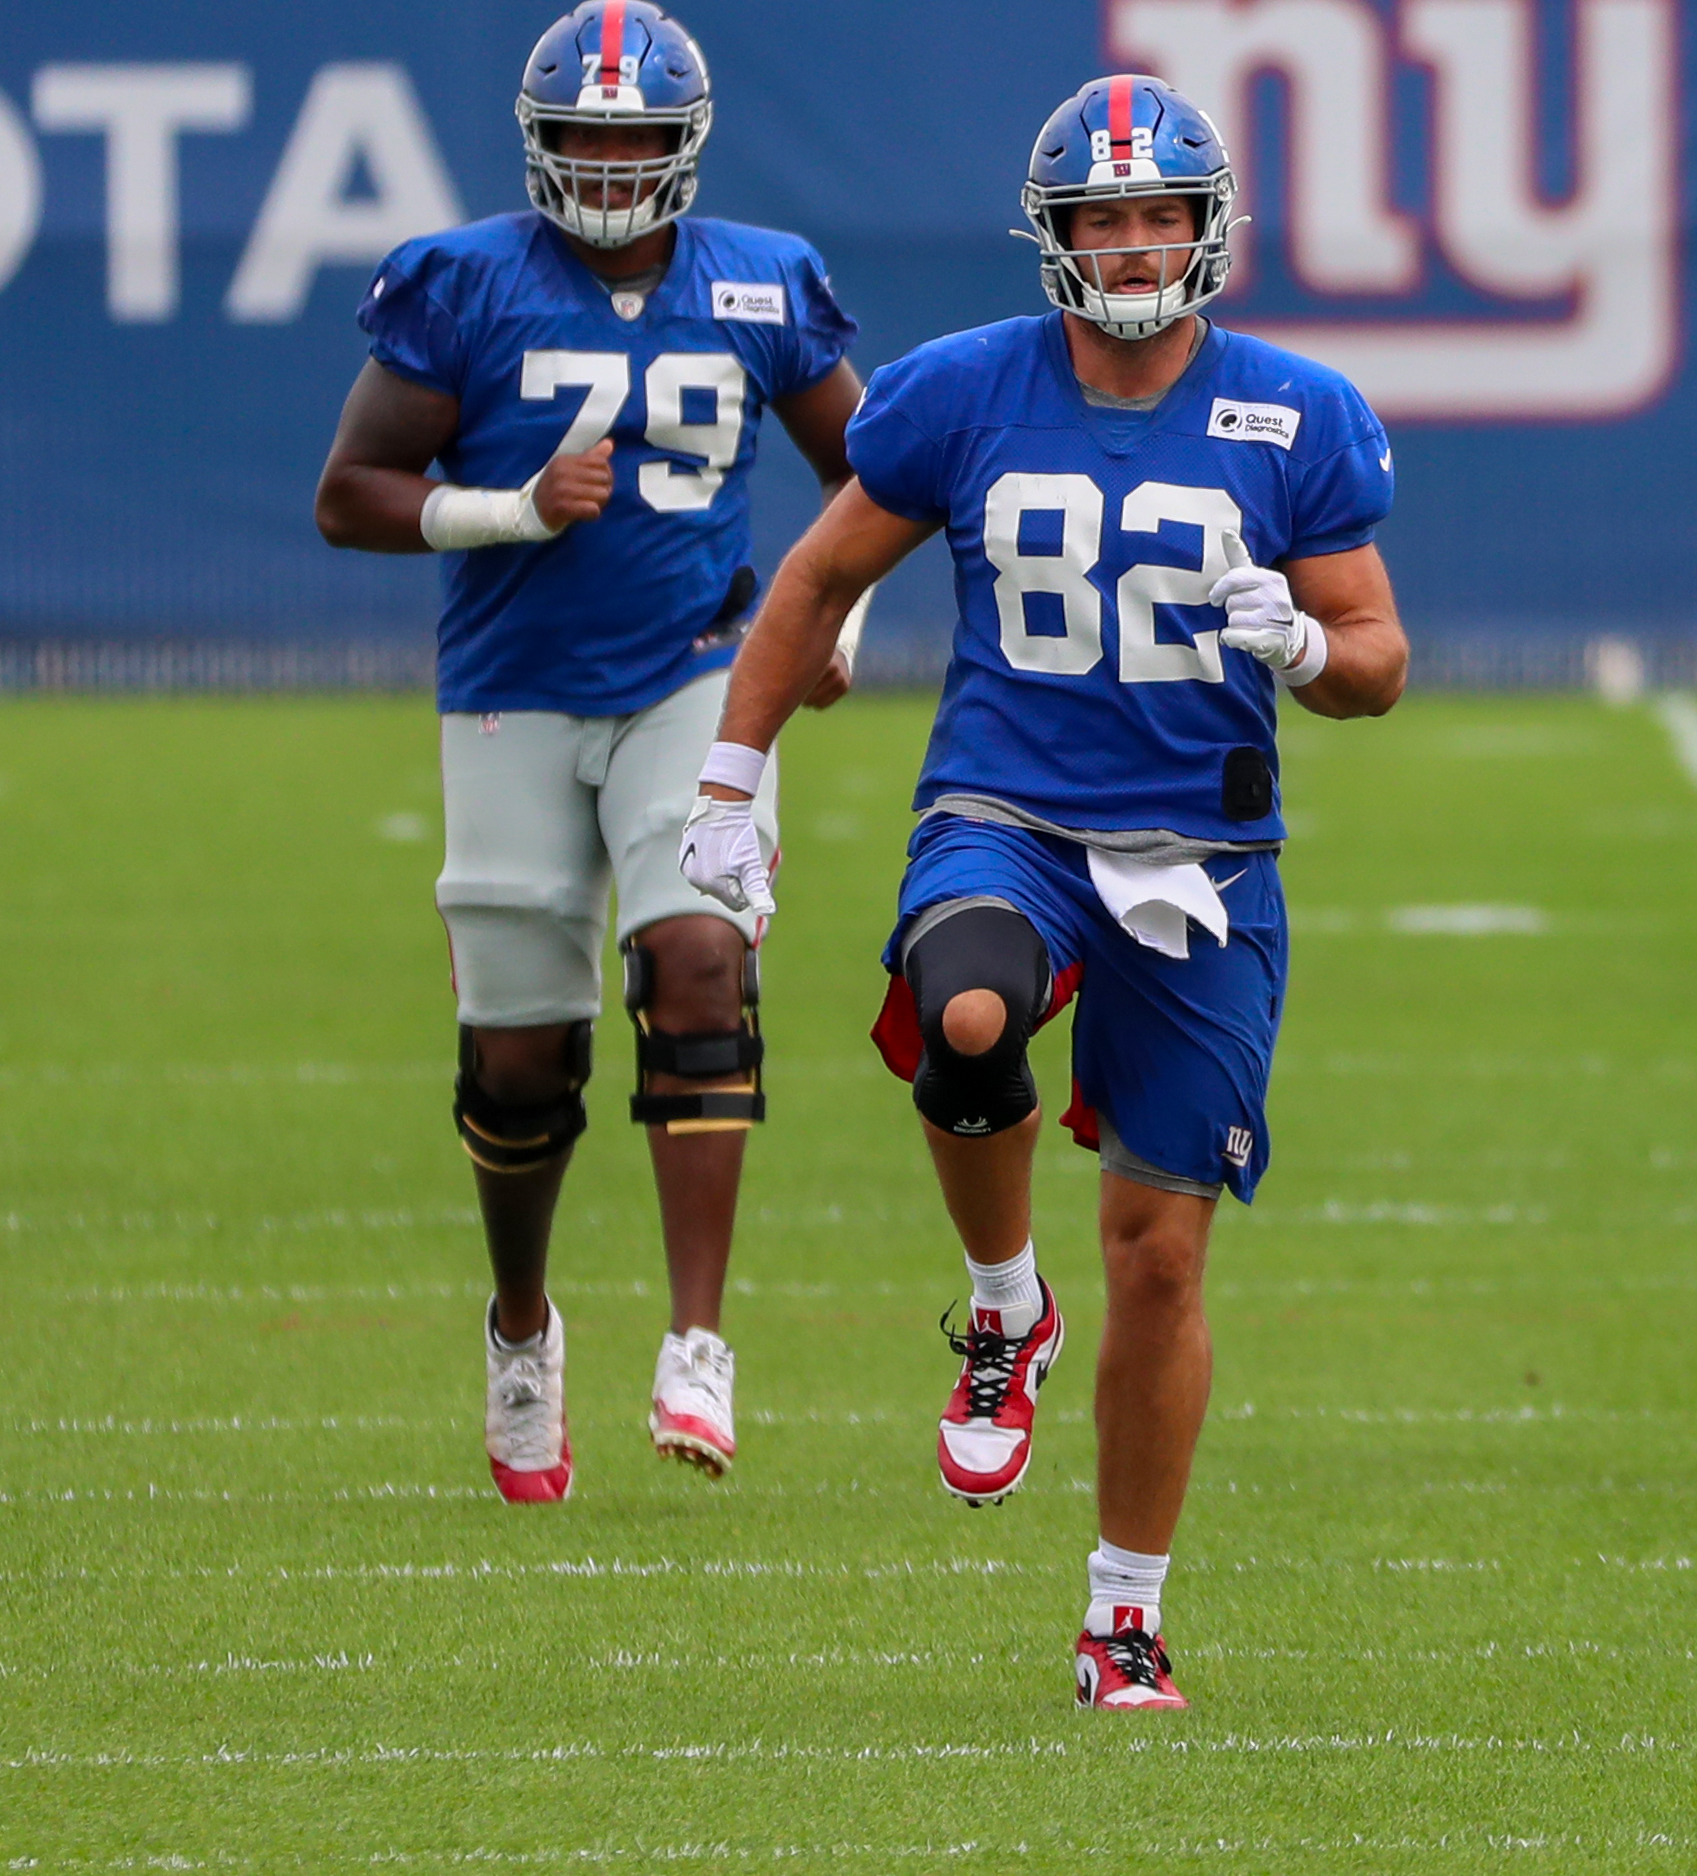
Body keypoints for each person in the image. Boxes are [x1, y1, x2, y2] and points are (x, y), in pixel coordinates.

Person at [678, 74, 1407, 1709]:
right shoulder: (961, 391)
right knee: (971, 1007)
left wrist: (1301, 645)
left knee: (1159, 1255)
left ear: (1207, 229)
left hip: (1205, 860)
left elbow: (1376, 658)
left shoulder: (1292, 412)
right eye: (1104, 217)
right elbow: (815, 580)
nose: (1136, 243)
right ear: (1054, 236)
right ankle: (1003, 1300)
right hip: (1006, 812)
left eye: (1160, 214)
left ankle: (1123, 1613)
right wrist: (730, 775)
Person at [313, 0, 869, 1503]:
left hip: (694, 676)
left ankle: (698, 1340)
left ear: (683, 144)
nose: (612, 166)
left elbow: (879, 475)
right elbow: (351, 490)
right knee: (517, 1054)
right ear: (539, 144)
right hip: (509, 685)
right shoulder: (465, 283)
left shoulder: (764, 283)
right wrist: (506, 508)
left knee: (697, 960)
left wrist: (837, 625)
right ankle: (519, 1325)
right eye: (585, 138)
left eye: (635, 138)